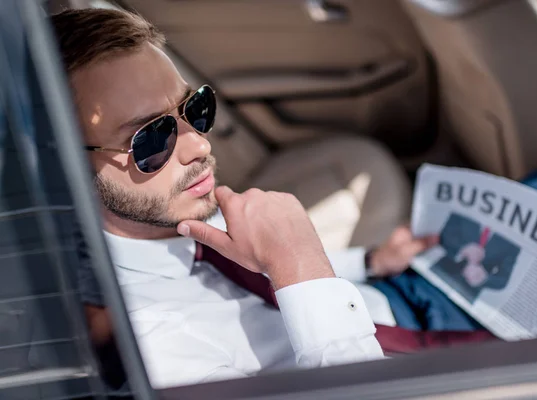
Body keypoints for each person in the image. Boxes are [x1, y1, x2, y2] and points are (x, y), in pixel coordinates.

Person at [51, 8, 445, 389]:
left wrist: (370, 261)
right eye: (152, 138)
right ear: (67, 171)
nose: (199, 146)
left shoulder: (175, 218)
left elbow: (257, 266)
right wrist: (302, 270)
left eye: (195, 108)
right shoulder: (158, 350)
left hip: (390, 297)